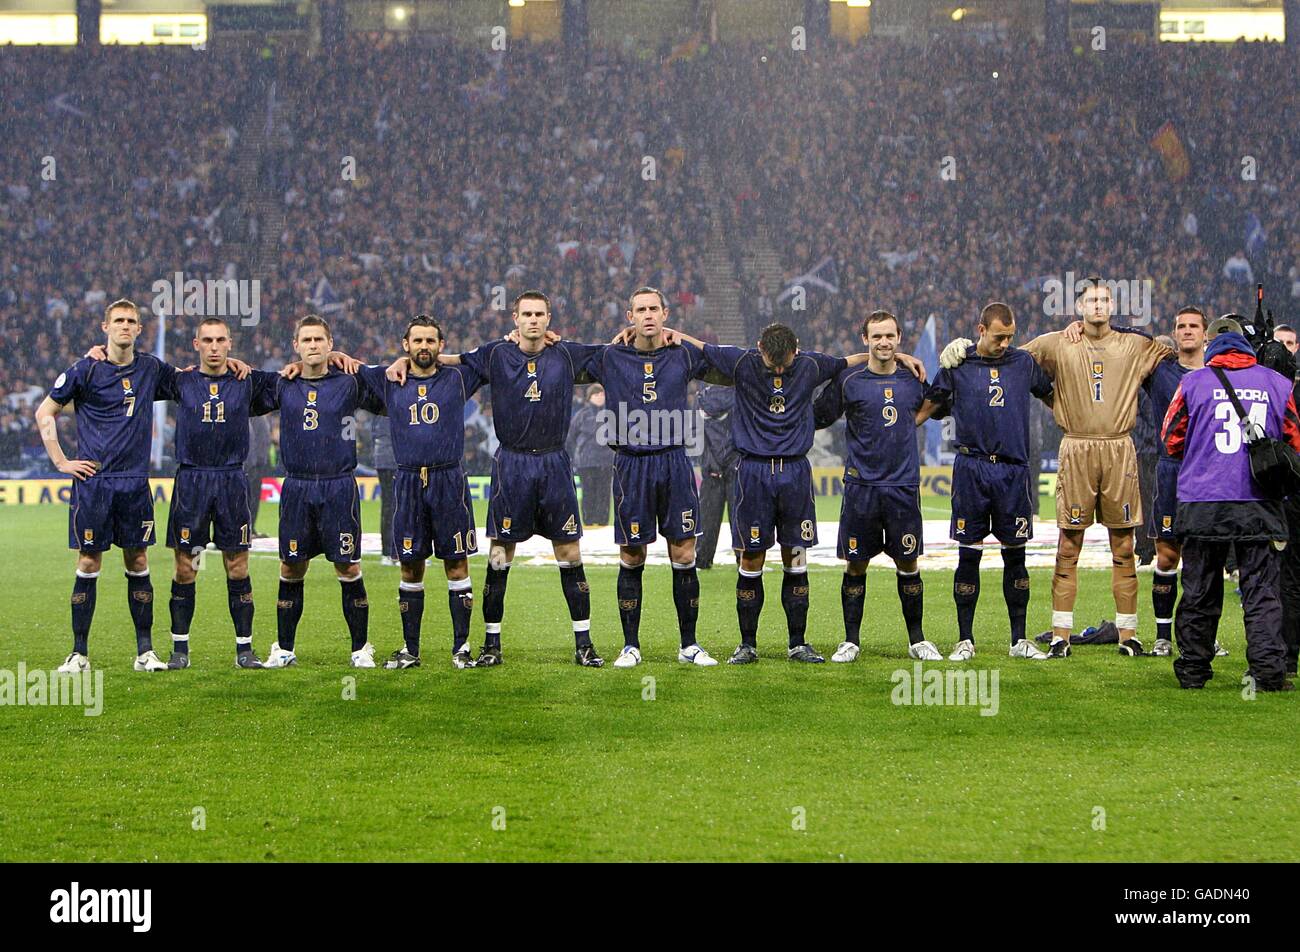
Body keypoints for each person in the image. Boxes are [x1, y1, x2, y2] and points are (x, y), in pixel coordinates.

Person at [941, 278, 1171, 657]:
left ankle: (1128, 635)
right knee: (1068, 545)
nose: (1097, 306)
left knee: (1124, 546)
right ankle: (1060, 635)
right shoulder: (1056, 342)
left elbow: (1173, 349)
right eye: (1091, 300)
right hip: (1077, 447)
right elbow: (1002, 358)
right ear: (1079, 307)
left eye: (1104, 300)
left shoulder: (1134, 343)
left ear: (1112, 306)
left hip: (1119, 447)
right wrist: (963, 348)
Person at [672, 323, 915, 663]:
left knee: (796, 558)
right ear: (759, 348)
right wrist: (664, 330)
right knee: (751, 557)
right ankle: (747, 645)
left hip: (795, 474)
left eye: (785, 363)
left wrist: (897, 357)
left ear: (796, 349)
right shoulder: (743, 362)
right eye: (773, 365)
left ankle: (798, 643)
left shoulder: (810, 365)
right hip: (753, 473)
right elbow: (699, 345)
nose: (781, 370)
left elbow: (851, 361)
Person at [35, 299, 246, 673]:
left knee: (139, 561)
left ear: (138, 329)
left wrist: (233, 365)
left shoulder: (150, 368)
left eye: (132, 321)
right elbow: (44, 411)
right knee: (88, 561)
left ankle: (145, 652)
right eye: (118, 320)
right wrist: (61, 461)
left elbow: (195, 378)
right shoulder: (86, 369)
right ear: (106, 327)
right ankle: (79, 653)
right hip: (94, 483)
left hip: (134, 484)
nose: (125, 326)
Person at [404, 291, 606, 667]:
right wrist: (407, 360)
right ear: (514, 318)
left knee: (570, 553)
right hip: (511, 465)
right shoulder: (497, 354)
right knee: (499, 556)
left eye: (539, 314)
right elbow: (451, 361)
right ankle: (491, 646)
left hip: (554, 463)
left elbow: (615, 353)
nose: (533, 320)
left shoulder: (566, 353)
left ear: (549, 319)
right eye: (526, 314)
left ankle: (584, 644)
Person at [585, 287, 723, 668]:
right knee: (632, 554)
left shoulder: (682, 354)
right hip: (631, 465)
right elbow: (561, 358)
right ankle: (630, 645)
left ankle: (689, 645)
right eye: (640, 310)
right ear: (630, 316)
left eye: (654, 309)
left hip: (674, 463)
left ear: (665, 314)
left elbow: (727, 362)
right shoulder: (612, 356)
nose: (648, 315)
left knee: (684, 553)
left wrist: (688, 338)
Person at [1160, 323, 1300, 691]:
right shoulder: (1277, 383)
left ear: (1213, 351)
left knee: (1200, 592)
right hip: (1259, 502)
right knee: (1262, 592)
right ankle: (1269, 673)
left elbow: (1171, 439)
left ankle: (1193, 671)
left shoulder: (1192, 383)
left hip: (1203, 500)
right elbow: (1292, 441)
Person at [917, 302, 1055, 661]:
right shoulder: (958, 364)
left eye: (1010, 336)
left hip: (1013, 471)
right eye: (998, 336)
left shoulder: (1022, 363)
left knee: (1016, 556)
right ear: (980, 330)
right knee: (968, 555)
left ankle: (1019, 640)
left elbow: (1054, 397)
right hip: (972, 469)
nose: (1005, 343)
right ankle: (965, 639)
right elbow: (926, 408)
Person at [355, 317, 483, 669]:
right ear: (405, 344)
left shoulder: (457, 378)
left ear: (441, 345)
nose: (424, 346)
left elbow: (491, 358)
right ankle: (411, 650)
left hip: (449, 481)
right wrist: (334, 351)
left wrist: (454, 359)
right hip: (409, 481)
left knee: (456, 565)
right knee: (410, 568)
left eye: (431, 341)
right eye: (417, 341)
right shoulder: (390, 381)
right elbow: (346, 366)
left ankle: (461, 649)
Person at [152, 317, 279, 668]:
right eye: (206, 340)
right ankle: (180, 651)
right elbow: (137, 367)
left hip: (231, 482)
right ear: (196, 345)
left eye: (220, 340)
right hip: (192, 482)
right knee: (186, 567)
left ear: (229, 344)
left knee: (236, 565)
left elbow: (295, 377)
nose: (213, 346)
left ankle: (244, 650)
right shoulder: (182, 381)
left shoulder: (247, 381)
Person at [813, 310, 939, 661]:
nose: (884, 342)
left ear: (899, 338)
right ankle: (850, 641)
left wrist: (913, 420)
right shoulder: (849, 382)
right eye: (877, 337)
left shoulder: (914, 380)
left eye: (890, 336)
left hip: (902, 487)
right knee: (856, 565)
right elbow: (818, 416)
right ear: (865, 340)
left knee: (908, 564)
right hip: (861, 487)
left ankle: (917, 640)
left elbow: (939, 402)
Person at [262, 315, 382, 669]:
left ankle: (360, 649)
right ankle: (284, 649)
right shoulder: (284, 383)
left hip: (338, 487)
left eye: (320, 340)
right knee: (291, 566)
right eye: (307, 340)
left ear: (330, 345)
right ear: (296, 346)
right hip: (297, 486)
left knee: (347, 566)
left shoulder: (349, 382)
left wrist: (358, 364)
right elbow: (238, 382)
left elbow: (390, 383)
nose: (313, 345)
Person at [695, 383, 738, 570]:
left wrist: (707, 461)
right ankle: (744, 558)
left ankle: (703, 558)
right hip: (737, 464)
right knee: (740, 518)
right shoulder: (741, 396)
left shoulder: (701, 399)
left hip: (711, 465)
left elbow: (695, 433)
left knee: (708, 517)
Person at [570, 384, 614, 527]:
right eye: (596, 395)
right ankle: (588, 522)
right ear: (589, 397)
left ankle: (603, 522)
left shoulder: (611, 415)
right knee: (588, 492)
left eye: (602, 394)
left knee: (604, 493)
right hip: (586, 462)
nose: (600, 397)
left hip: (606, 461)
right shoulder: (581, 415)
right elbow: (571, 438)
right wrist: (574, 457)